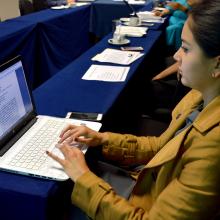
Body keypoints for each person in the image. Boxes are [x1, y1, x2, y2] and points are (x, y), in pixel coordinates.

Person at [47, 0, 220, 219]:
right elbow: (162, 147)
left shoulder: (213, 147)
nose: (176, 56)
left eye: (186, 48)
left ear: (217, 65)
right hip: (145, 186)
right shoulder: (200, 95)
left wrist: (83, 178)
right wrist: (102, 139)